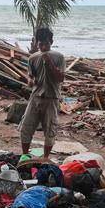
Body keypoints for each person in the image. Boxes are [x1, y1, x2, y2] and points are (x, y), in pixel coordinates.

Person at [20, 27, 66, 159]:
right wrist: (30, 80)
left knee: (50, 130)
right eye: (40, 44)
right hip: (35, 97)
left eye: (46, 43)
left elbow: (61, 78)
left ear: (51, 42)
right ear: (36, 43)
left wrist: (50, 63)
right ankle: (25, 155)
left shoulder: (59, 57)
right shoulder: (33, 58)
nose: (43, 46)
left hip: (51, 98)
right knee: (26, 127)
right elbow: (30, 75)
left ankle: (45, 158)